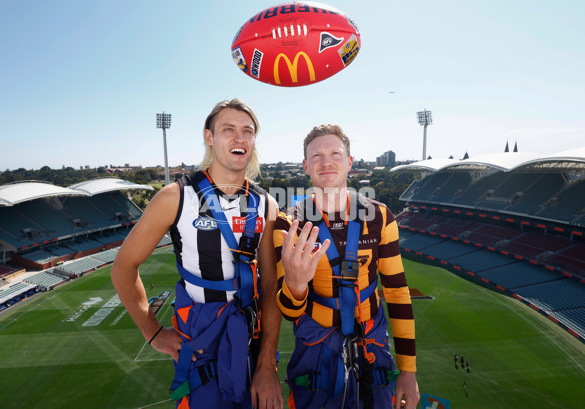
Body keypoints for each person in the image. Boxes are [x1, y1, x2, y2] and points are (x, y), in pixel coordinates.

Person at [111, 98, 283, 409]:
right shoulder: (175, 197)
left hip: (250, 339)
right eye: (228, 129)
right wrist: (153, 332)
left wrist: (268, 365)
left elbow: (270, 288)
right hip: (201, 339)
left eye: (248, 131)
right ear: (210, 137)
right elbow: (123, 266)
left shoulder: (266, 203)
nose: (239, 138)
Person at [274, 124, 420, 409]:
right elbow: (289, 312)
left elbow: (398, 294)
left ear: (350, 162)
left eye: (335, 153)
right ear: (305, 166)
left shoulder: (379, 216)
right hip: (316, 351)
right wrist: (297, 284)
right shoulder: (288, 221)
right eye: (316, 156)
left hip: (372, 349)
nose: (326, 161)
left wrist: (408, 370)